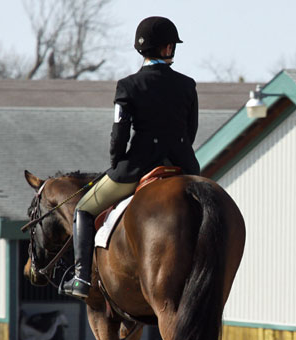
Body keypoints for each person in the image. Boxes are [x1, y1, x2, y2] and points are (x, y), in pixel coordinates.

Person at [61, 16, 200, 299]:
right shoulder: (187, 85)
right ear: (166, 48)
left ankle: (82, 279)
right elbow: (191, 129)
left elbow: (119, 133)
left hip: (138, 166)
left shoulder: (128, 86)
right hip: (184, 167)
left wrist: (117, 162)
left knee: (84, 210)